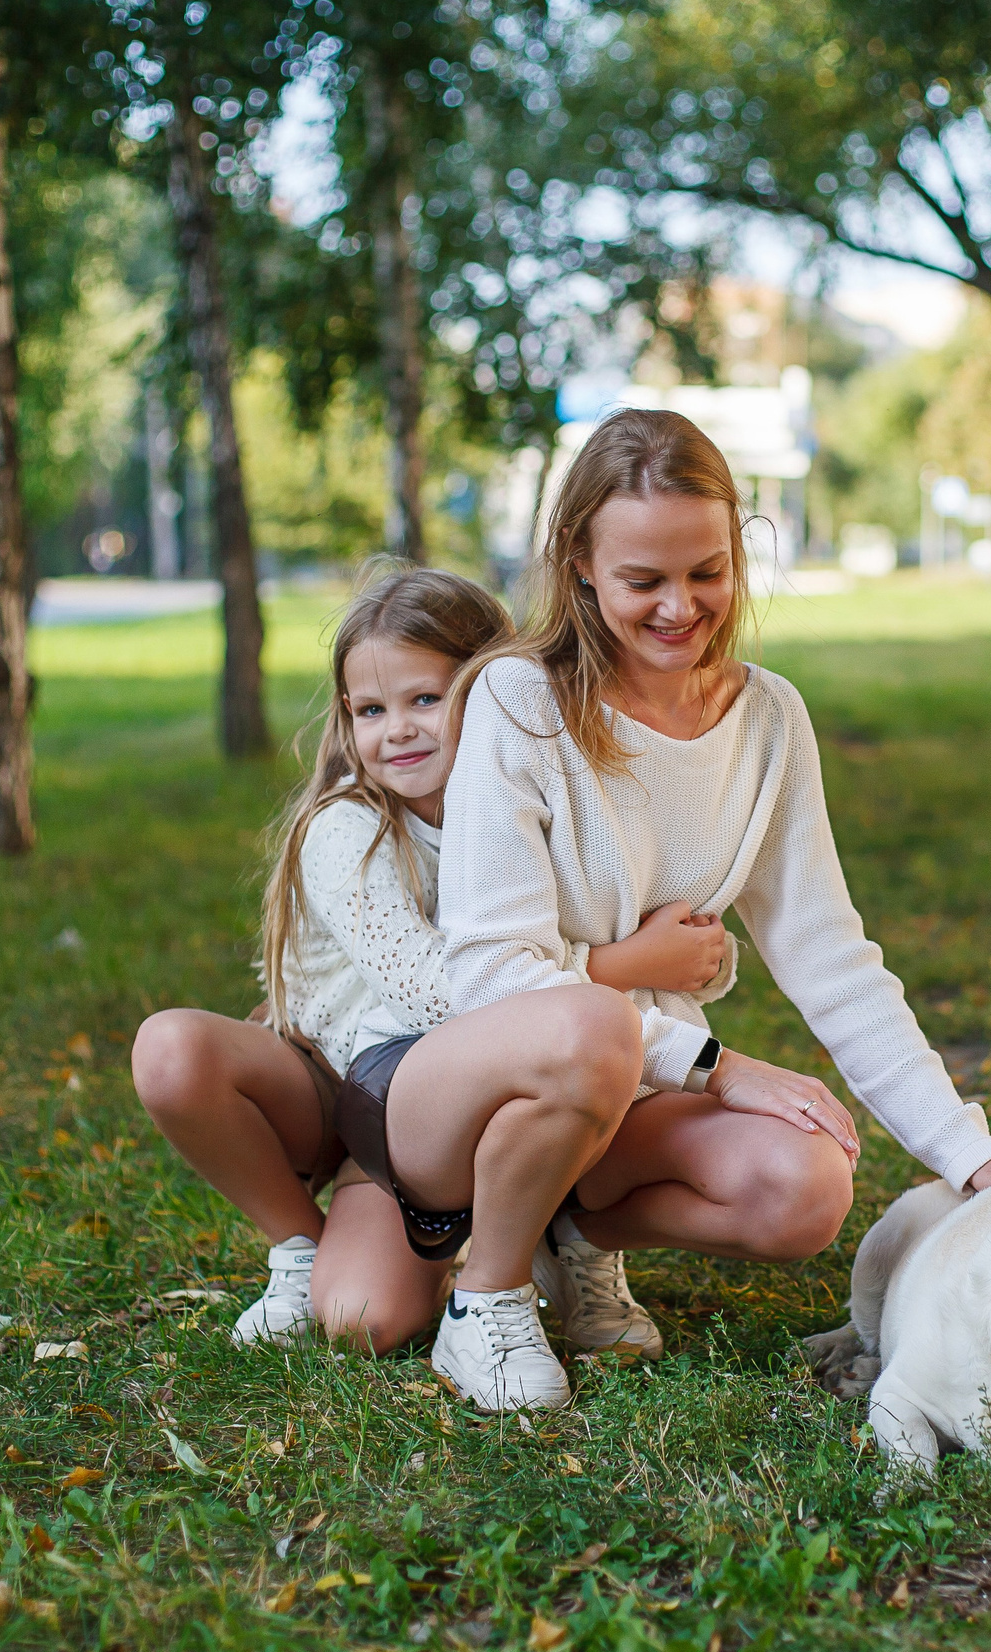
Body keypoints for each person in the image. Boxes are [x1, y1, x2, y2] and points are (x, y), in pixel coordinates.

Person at [378, 407, 991, 1413]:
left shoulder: (769, 719)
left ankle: (573, 1231)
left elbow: (828, 953)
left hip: (624, 1088)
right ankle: (486, 1298)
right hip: (462, 1094)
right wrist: (718, 1068)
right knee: (582, 1032)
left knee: (806, 1189)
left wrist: (971, 1154)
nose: (680, 607)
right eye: (644, 580)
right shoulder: (518, 698)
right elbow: (488, 973)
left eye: (707, 571)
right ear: (580, 565)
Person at [129, 566, 730, 1354]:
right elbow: (433, 992)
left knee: (582, 1051)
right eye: (372, 709)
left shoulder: (544, 802)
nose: (399, 730)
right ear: (347, 717)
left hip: (489, 1087)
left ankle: (558, 1229)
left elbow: (683, 948)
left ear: (495, 695)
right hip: (361, 1091)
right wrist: (620, 962)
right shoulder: (348, 828)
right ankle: (301, 1247)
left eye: (425, 699)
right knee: (359, 1316)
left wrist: (690, 954)